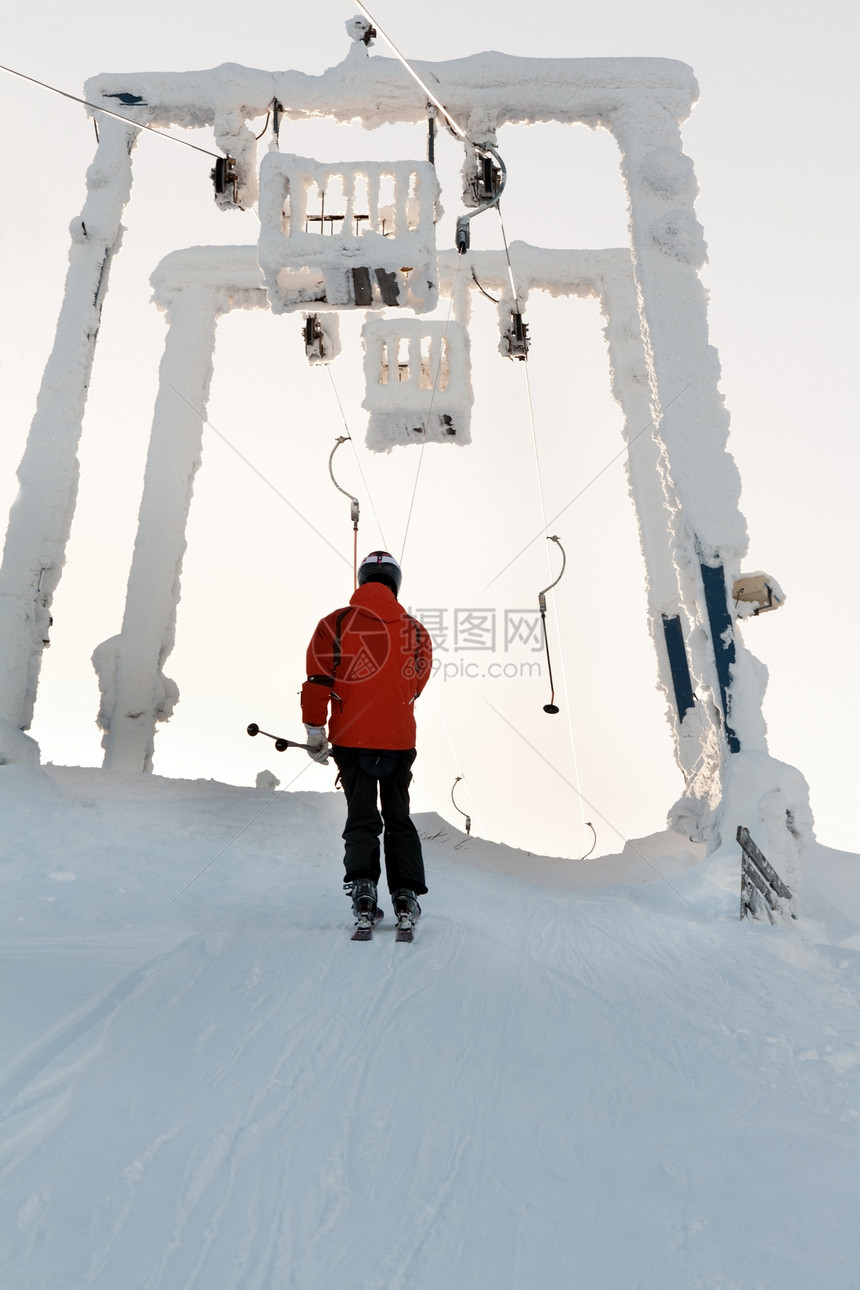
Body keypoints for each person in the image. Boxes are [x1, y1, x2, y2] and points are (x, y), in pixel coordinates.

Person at [300, 551, 432, 929]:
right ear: (395, 583)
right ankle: (405, 895)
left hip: (351, 739)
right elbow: (416, 684)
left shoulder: (335, 623)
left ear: (362, 581)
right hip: (399, 739)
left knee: (362, 815)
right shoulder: (416, 631)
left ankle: (363, 888)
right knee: (398, 815)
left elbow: (318, 681)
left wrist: (315, 730)